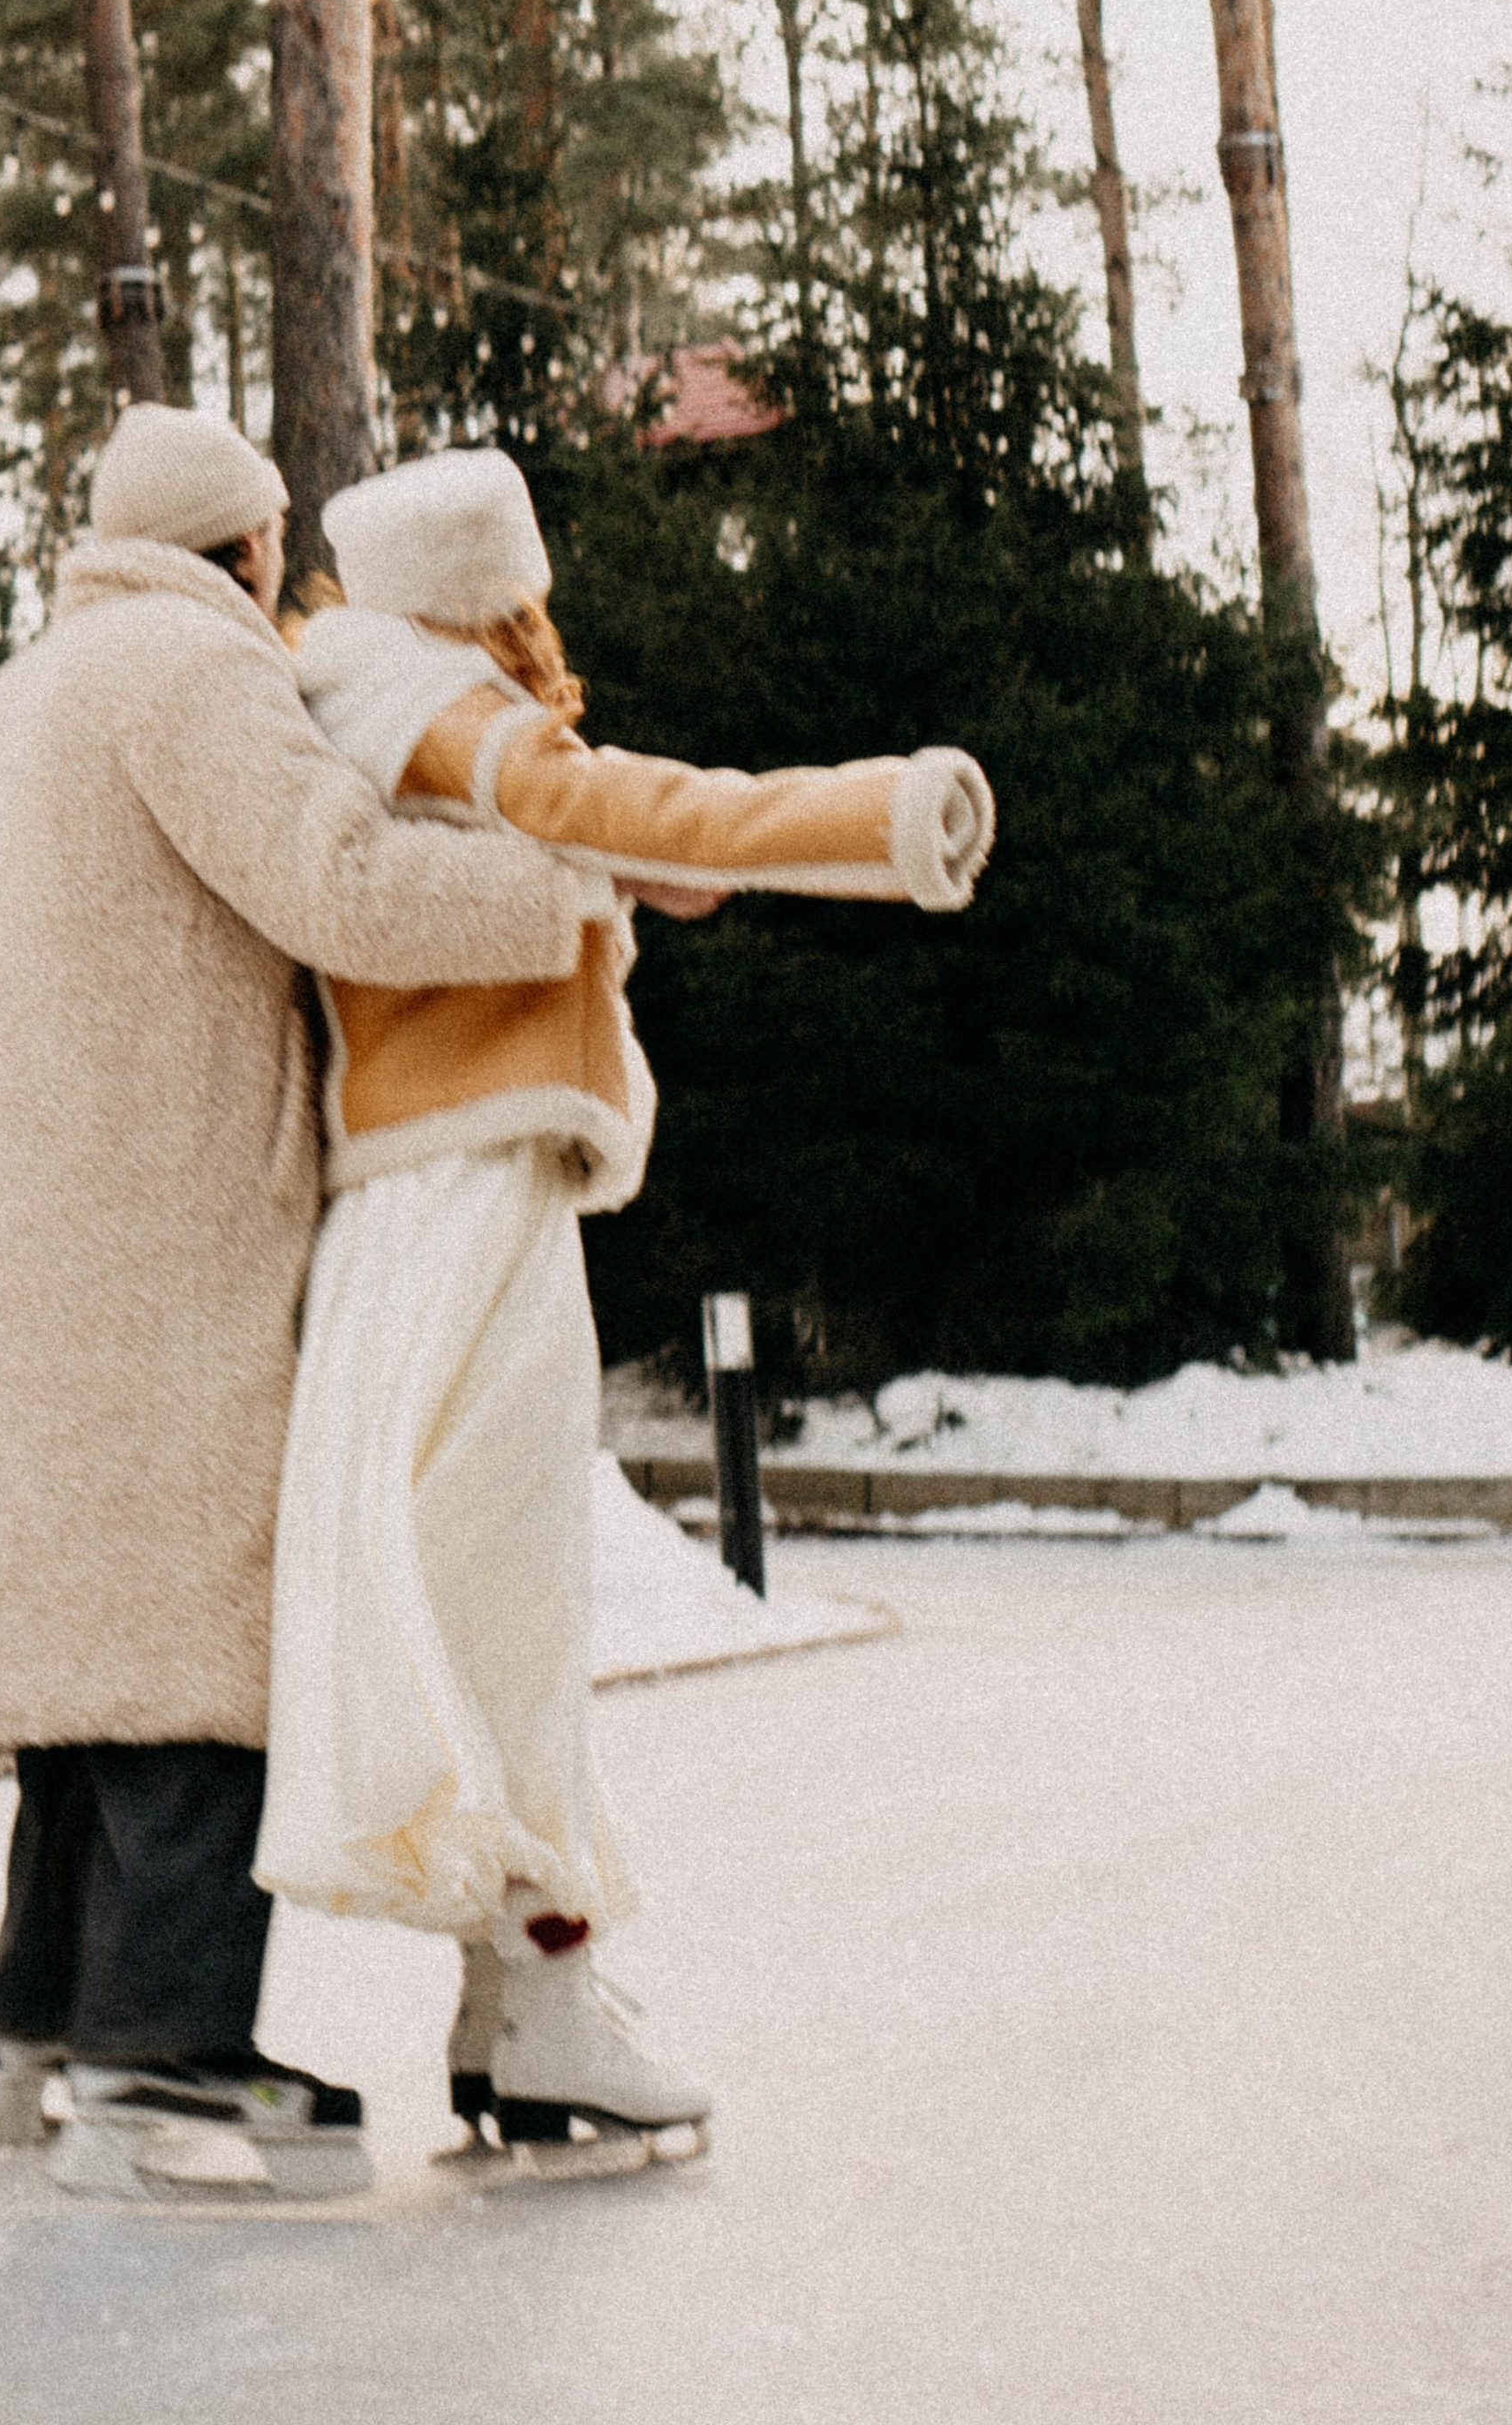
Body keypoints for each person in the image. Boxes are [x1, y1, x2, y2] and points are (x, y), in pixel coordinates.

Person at [252, 446, 994, 2167]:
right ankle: (542, 2010)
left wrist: (617, 871)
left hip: (432, 1197)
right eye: (521, 593)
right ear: (482, 594)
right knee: (505, 1605)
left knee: (487, 1600)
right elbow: (649, 806)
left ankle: (523, 2011)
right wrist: (882, 817)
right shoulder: (434, 707)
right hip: (470, 1197)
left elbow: (600, 842)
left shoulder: (370, 695)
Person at [0, 405, 597, 2204]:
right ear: (239, 550)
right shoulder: (185, 675)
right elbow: (337, 885)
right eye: (273, 555)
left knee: (79, 1657)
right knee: (197, 1640)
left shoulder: (8, 707)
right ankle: (165, 2057)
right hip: (156, 1233)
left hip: (3, 1249)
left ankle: (40, 2024)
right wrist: (560, 896)